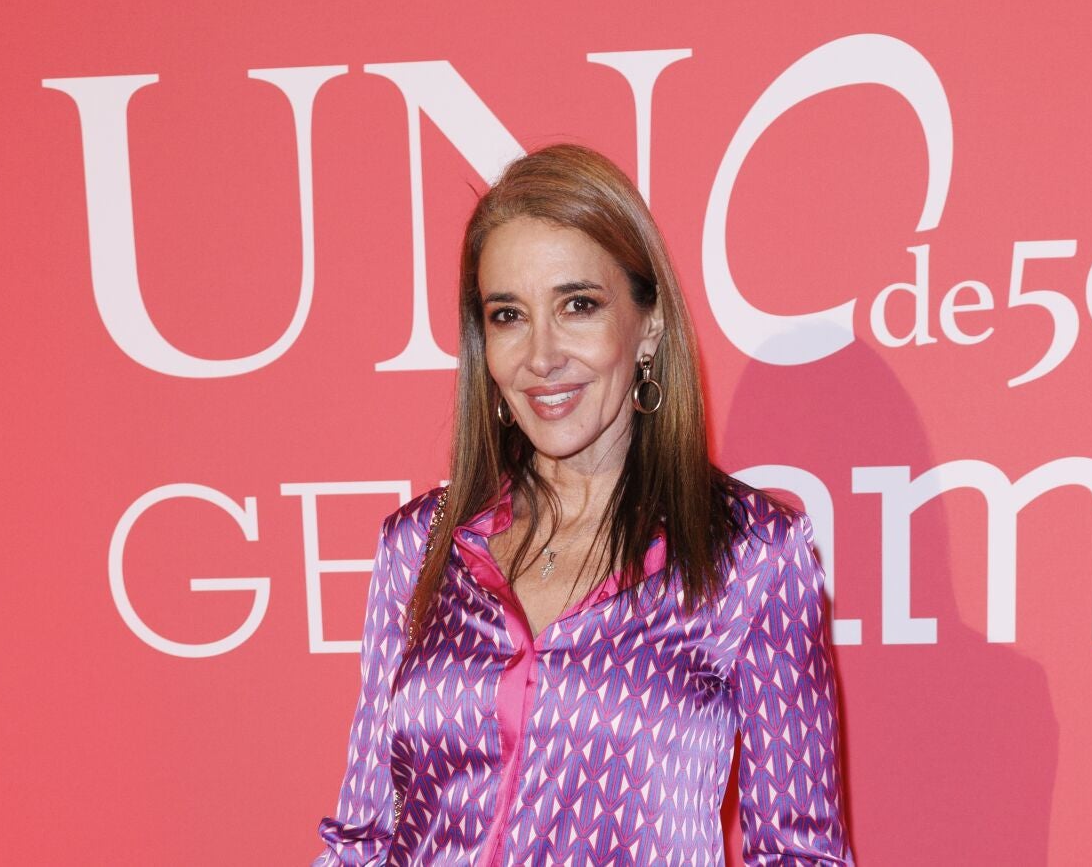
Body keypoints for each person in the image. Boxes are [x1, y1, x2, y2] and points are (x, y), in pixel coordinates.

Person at [313, 143, 853, 865]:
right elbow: (363, 838)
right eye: (509, 315)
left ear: (648, 326)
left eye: (578, 306)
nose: (541, 356)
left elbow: (800, 854)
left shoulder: (750, 553)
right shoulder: (420, 544)